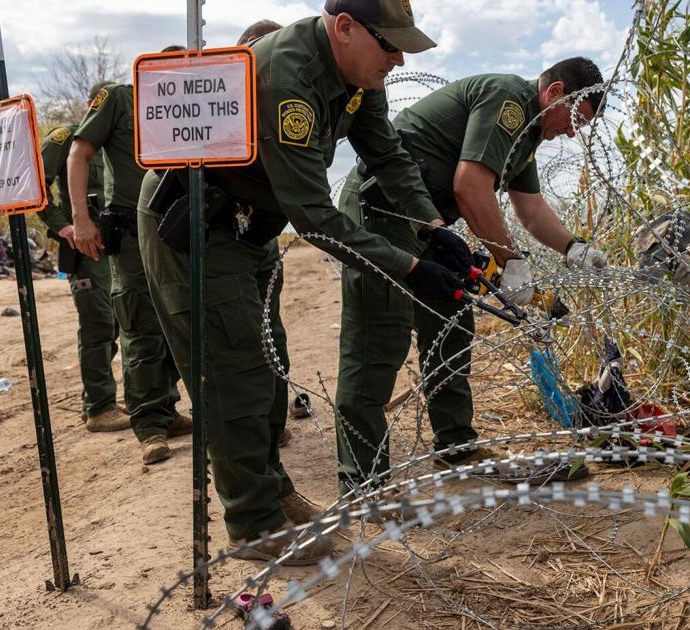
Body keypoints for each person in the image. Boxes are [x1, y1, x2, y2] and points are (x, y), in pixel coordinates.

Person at [170, 0, 464, 565]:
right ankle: (254, 525)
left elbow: (390, 156)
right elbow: (314, 216)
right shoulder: (290, 78)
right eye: (391, 45)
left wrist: (432, 227)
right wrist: (409, 266)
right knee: (236, 377)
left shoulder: (357, 72)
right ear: (346, 28)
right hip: (199, 229)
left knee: (261, 366)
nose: (400, 59)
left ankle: (272, 492)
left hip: (248, 227)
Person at [333, 58, 609, 488]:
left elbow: (530, 208)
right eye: (576, 118)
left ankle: (455, 448)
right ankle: (362, 483)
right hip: (382, 211)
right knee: (377, 342)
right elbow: (470, 185)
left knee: (451, 323)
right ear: (554, 92)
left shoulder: (527, 135)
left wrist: (575, 247)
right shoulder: (509, 102)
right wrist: (510, 261)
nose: (573, 132)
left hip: (430, 226)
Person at [136, 22, 294, 448]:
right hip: (185, 212)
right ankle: (228, 446)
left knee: (267, 332)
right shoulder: (221, 92)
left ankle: (267, 435)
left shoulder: (281, 96)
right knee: (214, 342)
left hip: (251, 224)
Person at [67, 68, 188, 465]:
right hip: (133, 230)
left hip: (178, 226)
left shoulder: (191, 102)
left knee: (179, 318)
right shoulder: (119, 98)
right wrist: (80, 220)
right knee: (139, 324)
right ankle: (150, 426)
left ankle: (167, 410)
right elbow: (77, 152)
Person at [37, 82, 123, 431]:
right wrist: (64, 226)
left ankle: (108, 399)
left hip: (116, 244)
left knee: (120, 322)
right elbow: (35, 185)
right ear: (92, 105)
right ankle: (99, 407)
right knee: (97, 324)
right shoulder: (67, 138)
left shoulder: (115, 140)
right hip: (84, 249)